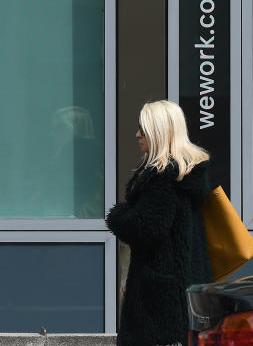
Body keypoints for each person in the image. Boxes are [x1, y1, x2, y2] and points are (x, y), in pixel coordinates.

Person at [105, 100, 212, 346]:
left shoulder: (162, 177)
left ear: (160, 132)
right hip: (180, 288)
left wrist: (118, 215)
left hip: (159, 298)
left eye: (143, 129)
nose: (137, 134)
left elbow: (147, 228)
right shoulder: (184, 173)